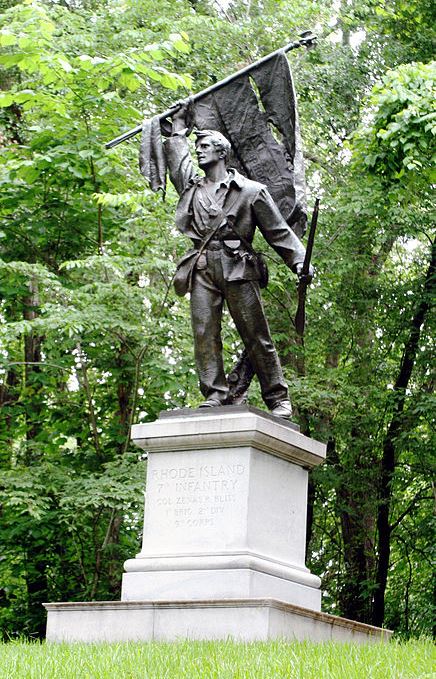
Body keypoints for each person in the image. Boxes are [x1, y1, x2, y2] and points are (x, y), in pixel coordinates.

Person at [164, 104, 313, 419]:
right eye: (197, 147)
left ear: (221, 152)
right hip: (202, 267)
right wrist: (178, 128)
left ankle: (277, 398)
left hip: (238, 266)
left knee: (255, 333)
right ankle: (215, 394)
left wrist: (300, 262)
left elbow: (279, 232)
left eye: (204, 147)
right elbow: (178, 161)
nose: (199, 152)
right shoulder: (192, 187)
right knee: (205, 334)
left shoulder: (251, 191)